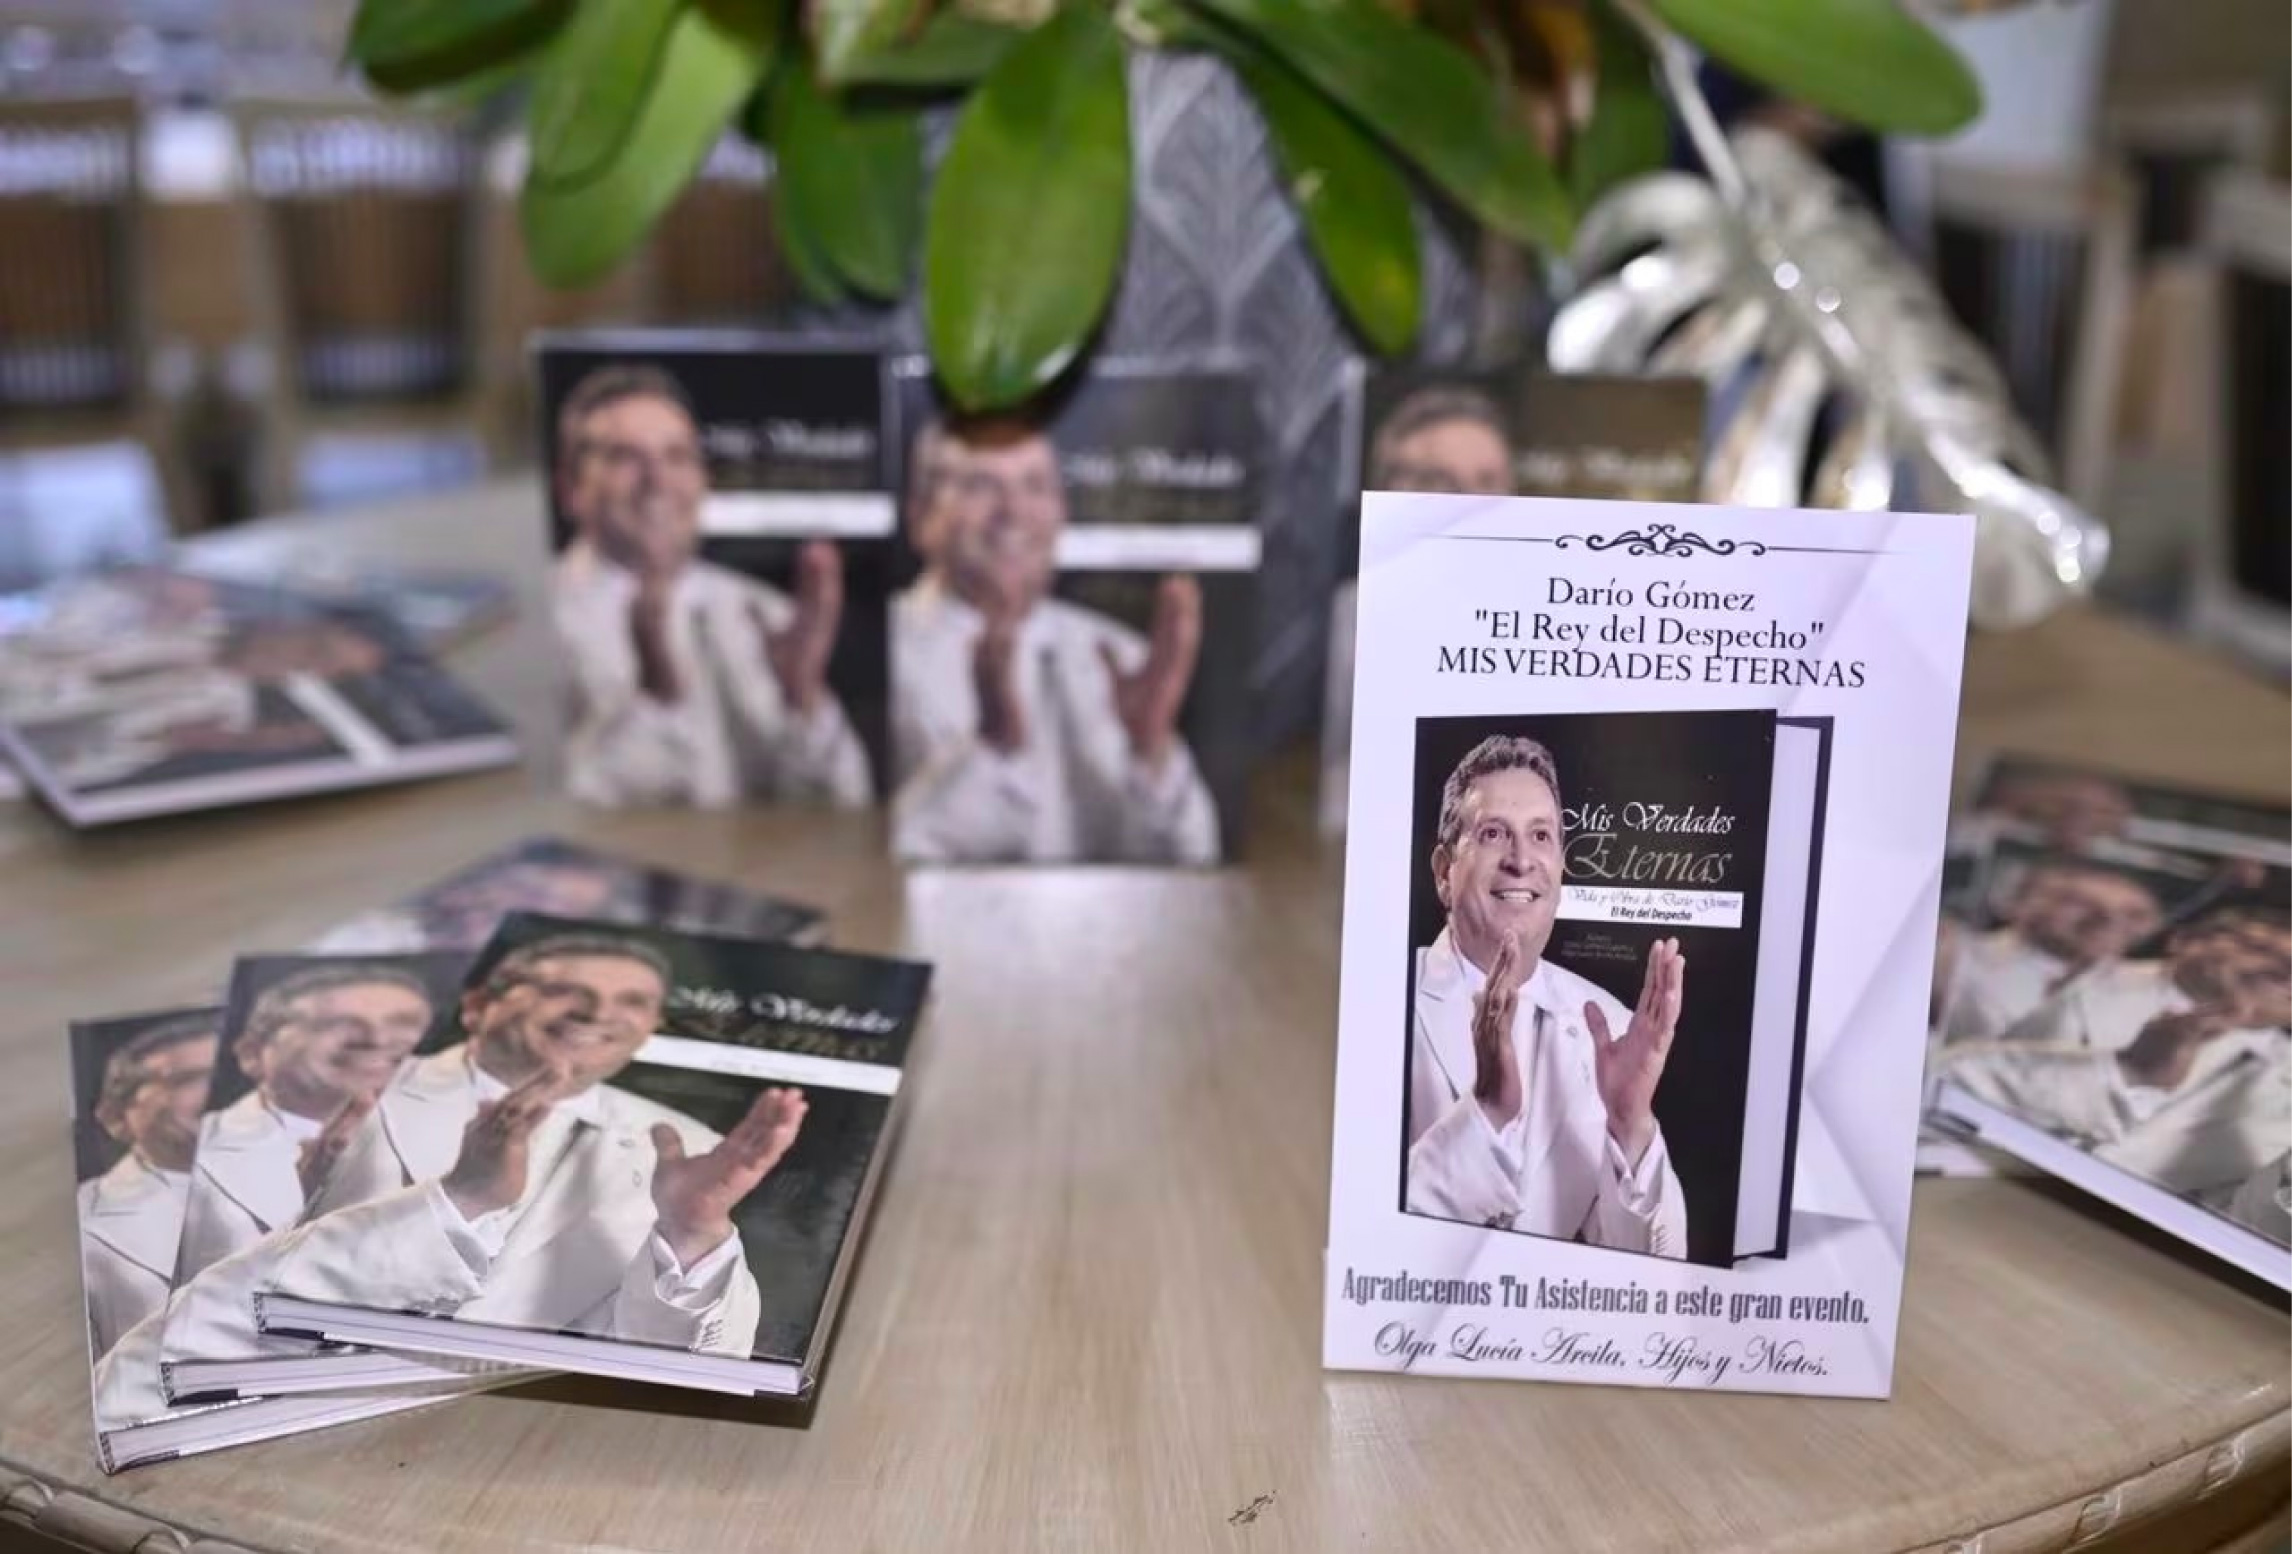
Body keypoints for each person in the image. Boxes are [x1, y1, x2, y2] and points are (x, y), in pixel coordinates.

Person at [222, 933, 807, 1359]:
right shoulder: (337, 1089)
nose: (598, 1012)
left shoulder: (687, 1149)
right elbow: (228, 1288)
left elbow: (677, 1356)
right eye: (562, 990)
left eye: (632, 1001)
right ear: (478, 1006)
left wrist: (693, 1233)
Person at [1405, 735, 1689, 1256]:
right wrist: (1486, 1113)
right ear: (1445, 872)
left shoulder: (1609, 1024)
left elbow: (1655, 1267)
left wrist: (1631, 1125)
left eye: (1540, 835)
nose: (1521, 860)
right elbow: (1368, 1233)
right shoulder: (1389, 1001)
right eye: (1493, 833)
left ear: (1560, 866)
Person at [892, 416, 1218, 864]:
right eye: (981, 485)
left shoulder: (1121, 657)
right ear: (920, 516)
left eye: (1035, 486)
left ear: (1062, 512)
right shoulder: (878, 652)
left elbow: (1192, 862)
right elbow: (876, 863)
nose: (1013, 511)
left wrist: (1152, 751)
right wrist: (993, 751)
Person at [550, 364, 871, 809]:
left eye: (677, 456)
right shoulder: (544, 621)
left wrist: (805, 697)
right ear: (570, 488)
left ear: (703, 481)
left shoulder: (761, 611)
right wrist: (655, 695)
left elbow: (844, 801)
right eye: (625, 458)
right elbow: (568, 814)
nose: (658, 480)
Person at [1944, 908, 2291, 1204]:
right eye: (2259, 948)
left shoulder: (2283, 1098)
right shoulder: (2065, 977)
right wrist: (2129, 1073)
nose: (2284, 969)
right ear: (2183, 940)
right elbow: (1952, 1083)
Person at [1323, 387, 1518, 834]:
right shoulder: (1341, 621)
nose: (1471, 503)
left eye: (1489, 482)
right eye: (1440, 482)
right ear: (1384, 491)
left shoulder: (1556, 624)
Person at [172, 965, 437, 1284]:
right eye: (337, 1024)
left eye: (404, 1024)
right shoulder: (184, 1152)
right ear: (252, 1054)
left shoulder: (467, 1125)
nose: (377, 1040)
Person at [78, 1015, 217, 1360]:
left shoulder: (310, 1173)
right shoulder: (82, 1225)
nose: (215, 1092)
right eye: (186, 1079)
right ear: (116, 1117)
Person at [1941, 862, 2165, 1045]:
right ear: (2025, 903)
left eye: (2133, 915)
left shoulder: (2147, 989)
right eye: (2083, 904)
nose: (2108, 921)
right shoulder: (1957, 956)